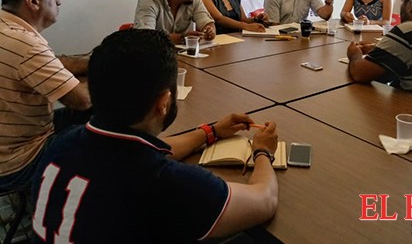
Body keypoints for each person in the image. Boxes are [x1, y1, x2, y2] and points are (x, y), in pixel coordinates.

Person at [31, 29, 279, 243]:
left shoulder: (63, 142)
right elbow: (265, 200)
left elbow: (146, 153)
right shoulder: (167, 182)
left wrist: (210, 132)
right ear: (164, 102)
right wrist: (262, 151)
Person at [0, 0, 91, 192]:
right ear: (33, 1)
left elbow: (51, 62)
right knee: (102, 126)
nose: (58, 1)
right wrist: (111, 70)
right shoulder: (26, 44)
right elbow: (82, 100)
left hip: (9, 142)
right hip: (17, 162)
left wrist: (90, 63)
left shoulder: (7, 28)